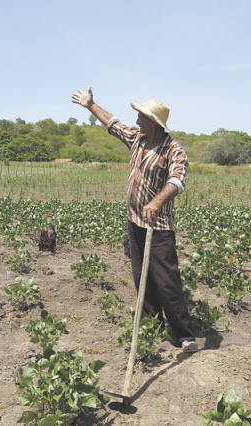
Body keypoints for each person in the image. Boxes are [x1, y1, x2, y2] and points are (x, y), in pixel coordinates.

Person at [71, 87, 198, 353]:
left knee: (166, 280)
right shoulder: (138, 139)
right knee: (142, 278)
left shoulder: (173, 150)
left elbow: (178, 180)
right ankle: (152, 326)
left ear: (153, 122)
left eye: (141, 117)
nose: (137, 120)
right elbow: (114, 124)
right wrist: (91, 106)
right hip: (135, 222)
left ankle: (184, 334)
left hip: (158, 227)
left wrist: (157, 201)